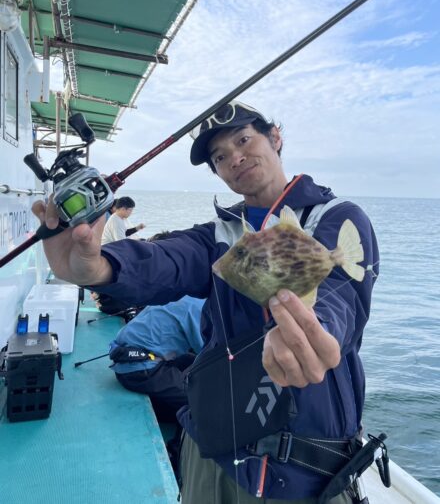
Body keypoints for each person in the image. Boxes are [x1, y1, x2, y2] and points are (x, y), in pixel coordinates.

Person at [33, 101, 379, 503]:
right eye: (220, 156)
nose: (235, 158)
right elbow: (167, 259)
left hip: (301, 475)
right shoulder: (220, 234)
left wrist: (315, 331)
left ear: (276, 138)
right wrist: (98, 269)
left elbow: (341, 294)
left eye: (244, 139)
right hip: (209, 453)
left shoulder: (334, 216)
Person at [109, 295, 204, 422]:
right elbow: (210, 352)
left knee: (190, 361)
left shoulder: (185, 295)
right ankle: (158, 415)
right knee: (201, 400)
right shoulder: (200, 309)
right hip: (139, 371)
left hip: (131, 359)